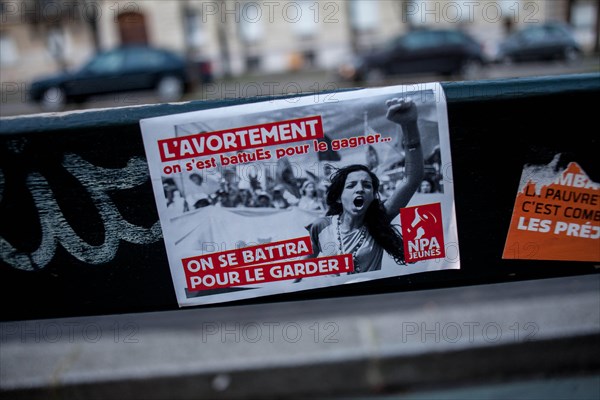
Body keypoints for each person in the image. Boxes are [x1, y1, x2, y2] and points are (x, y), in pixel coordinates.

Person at [304, 98, 424, 273]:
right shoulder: (320, 226)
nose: (360, 189)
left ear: (372, 195)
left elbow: (412, 178)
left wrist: (409, 125)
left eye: (367, 185)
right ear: (338, 196)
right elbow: (300, 271)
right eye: (351, 185)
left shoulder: (379, 218)